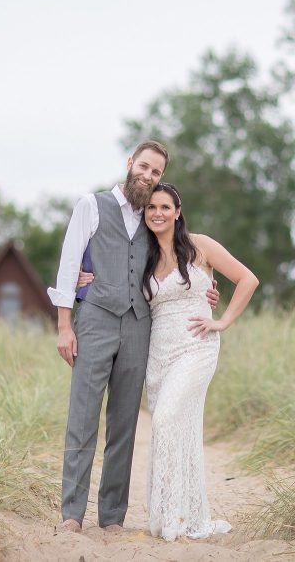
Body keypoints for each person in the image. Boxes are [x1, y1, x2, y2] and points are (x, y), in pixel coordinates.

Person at [48, 141, 218, 534]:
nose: (148, 176)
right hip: (94, 320)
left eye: (156, 172)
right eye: (143, 167)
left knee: (124, 424)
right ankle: (72, 514)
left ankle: (112, 517)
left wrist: (210, 290)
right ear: (130, 164)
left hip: (140, 325)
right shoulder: (91, 206)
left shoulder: (154, 217)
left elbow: (188, 258)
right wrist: (64, 325)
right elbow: (69, 264)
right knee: (83, 416)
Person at [139, 182, 258, 541]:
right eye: (150, 208)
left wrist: (221, 320)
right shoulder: (144, 256)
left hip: (196, 347)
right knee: (178, 428)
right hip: (158, 355)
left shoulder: (199, 247)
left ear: (177, 211)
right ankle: (175, 516)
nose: (157, 213)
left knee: (164, 419)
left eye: (164, 207)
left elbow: (247, 279)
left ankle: (177, 516)